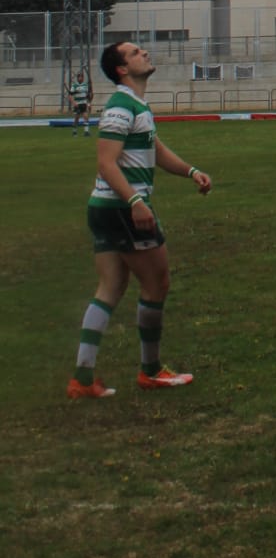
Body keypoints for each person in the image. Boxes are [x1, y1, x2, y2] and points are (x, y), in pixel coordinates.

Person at [68, 40, 212, 400]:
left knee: (111, 287)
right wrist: (134, 200)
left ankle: (82, 379)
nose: (144, 53)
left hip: (104, 208)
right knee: (157, 283)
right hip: (121, 208)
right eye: (134, 53)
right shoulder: (120, 105)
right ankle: (151, 371)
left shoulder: (136, 105)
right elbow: (106, 161)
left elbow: (155, 149)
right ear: (121, 69)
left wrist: (191, 171)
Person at [69, 66, 92, 135]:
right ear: (77, 78)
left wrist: (89, 103)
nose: (80, 78)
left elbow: (87, 96)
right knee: (77, 118)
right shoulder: (74, 85)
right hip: (77, 104)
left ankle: (86, 132)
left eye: (81, 77)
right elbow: (70, 95)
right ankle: (74, 131)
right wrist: (73, 103)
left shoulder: (85, 85)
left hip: (83, 103)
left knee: (86, 117)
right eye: (79, 77)